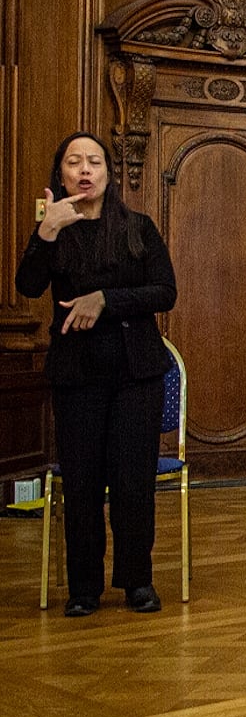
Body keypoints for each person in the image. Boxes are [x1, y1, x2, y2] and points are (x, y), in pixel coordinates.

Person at [16, 133, 177, 616]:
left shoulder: (138, 227)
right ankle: (83, 587)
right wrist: (46, 233)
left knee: (133, 482)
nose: (85, 171)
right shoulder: (52, 228)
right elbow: (27, 286)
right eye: (74, 162)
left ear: (108, 173)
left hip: (136, 372)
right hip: (76, 372)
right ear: (60, 173)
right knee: (82, 482)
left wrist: (104, 301)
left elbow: (164, 292)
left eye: (94, 162)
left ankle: (137, 581)